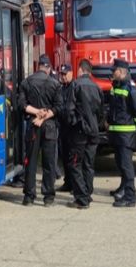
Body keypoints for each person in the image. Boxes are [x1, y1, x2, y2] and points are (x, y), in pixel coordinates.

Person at [17, 54, 61, 206]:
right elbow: (58, 108)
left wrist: (37, 113)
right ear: (48, 68)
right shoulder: (55, 84)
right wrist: (44, 114)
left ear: (38, 67)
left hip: (33, 126)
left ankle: (29, 196)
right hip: (49, 127)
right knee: (49, 163)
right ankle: (48, 197)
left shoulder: (26, 82)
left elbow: (21, 104)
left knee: (31, 162)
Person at [65, 60, 104, 209]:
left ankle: (81, 198)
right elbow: (101, 112)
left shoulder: (75, 85)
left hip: (79, 132)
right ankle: (87, 193)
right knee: (89, 164)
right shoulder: (97, 87)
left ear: (80, 70)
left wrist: (72, 124)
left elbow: (69, 109)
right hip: (93, 132)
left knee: (75, 163)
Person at [107, 58, 136, 207]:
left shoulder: (130, 88)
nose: (112, 73)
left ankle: (130, 197)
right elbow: (113, 108)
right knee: (121, 164)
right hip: (117, 133)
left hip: (125, 133)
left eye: (114, 70)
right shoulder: (116, 86)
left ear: (121, 72)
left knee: (126, 165)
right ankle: (123, 189)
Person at [56, 64, 75, 192]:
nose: (63, 76)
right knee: (64, 156)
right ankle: (68, 182)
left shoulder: (74, 87)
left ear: (71, 73)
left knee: (73, 158)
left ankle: (74, 184)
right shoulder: (61, 88)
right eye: (61, 74)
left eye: (65, 74)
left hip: (72, 128)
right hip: (62, 127)